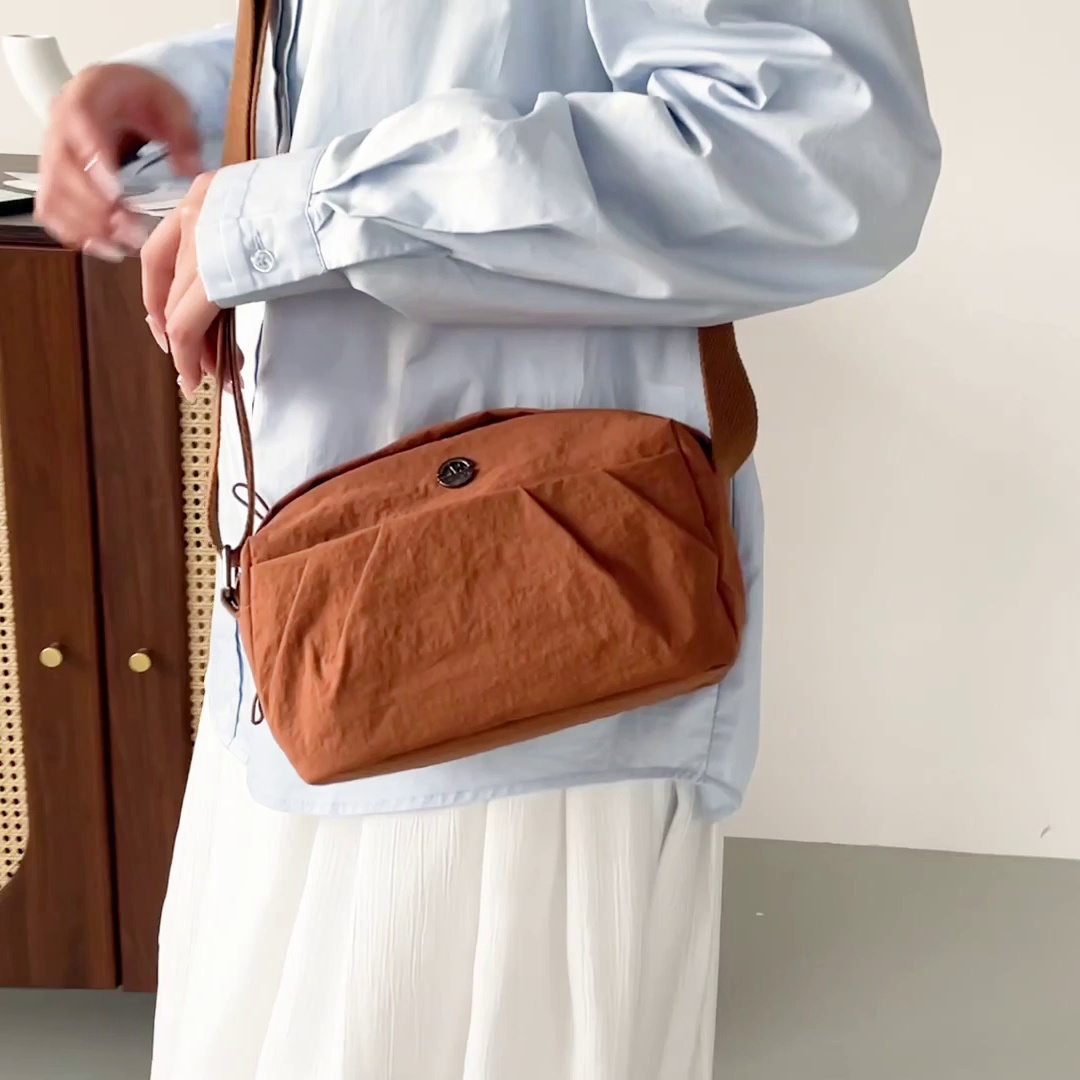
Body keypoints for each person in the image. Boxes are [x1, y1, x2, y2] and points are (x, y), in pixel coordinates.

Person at [34, 2, 939, 1076]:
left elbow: (827, 151)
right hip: (306, 636)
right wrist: (189, 99)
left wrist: (302, 211)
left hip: (518, 669)